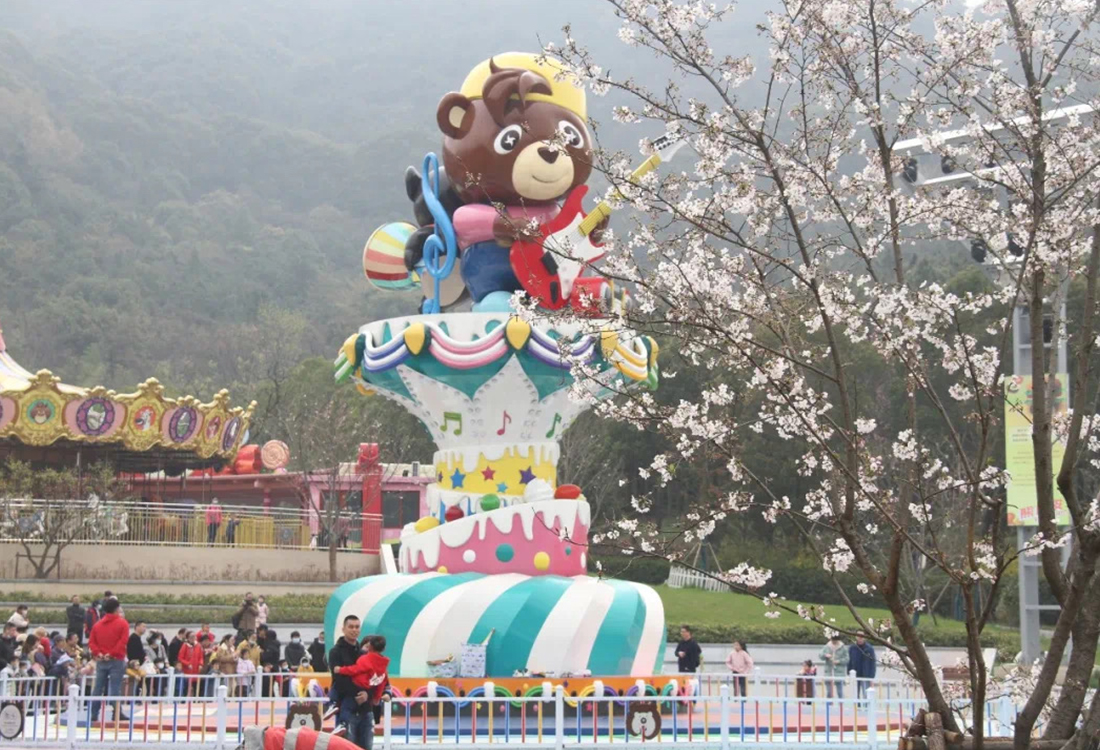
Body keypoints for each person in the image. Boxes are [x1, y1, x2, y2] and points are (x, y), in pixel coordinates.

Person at [332, 635, 390, 750]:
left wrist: (341, 670)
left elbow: (355, 670)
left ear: (371, 647)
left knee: (346, 707)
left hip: (363, 705)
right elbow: (381, 683)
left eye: (368, 646)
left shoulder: (364, 660)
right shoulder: (383, 665)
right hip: (363, 703)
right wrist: (376, 698)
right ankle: (338, 715)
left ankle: (339, 718)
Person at [87, 597, 130, 723]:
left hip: (101, 660)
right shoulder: (123, 623)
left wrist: (99, 653)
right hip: (116, 659)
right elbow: (123, 642)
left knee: (98, 687)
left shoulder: (97, 625)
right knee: (115, 688)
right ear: (117, 609)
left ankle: (94, 714)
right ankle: (116, 713)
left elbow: (92, 642)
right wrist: (111, 653)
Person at [329, 615, 369, 737]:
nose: (354, 630)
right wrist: (358, 693)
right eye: (351, 627)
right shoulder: (335, 652)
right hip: (345, 706)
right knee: (346, 743)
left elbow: (369, 677)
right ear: (343, 629)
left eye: (357, 627)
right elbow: (339, 679)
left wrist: (366, 693)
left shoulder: (363, 653)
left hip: (364, 709)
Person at [848, 634, 876, 700]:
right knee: (855, 694)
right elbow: (849, 661)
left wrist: (872, 675)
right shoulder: (852, 648)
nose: (860, 639)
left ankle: (866, 705)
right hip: (855, 674)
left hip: (866, 674)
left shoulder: (869, 648)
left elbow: (872, 662)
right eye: (858, 636)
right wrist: (848, 672)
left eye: (862, 637)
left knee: (866, 694)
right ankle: (856, 705)